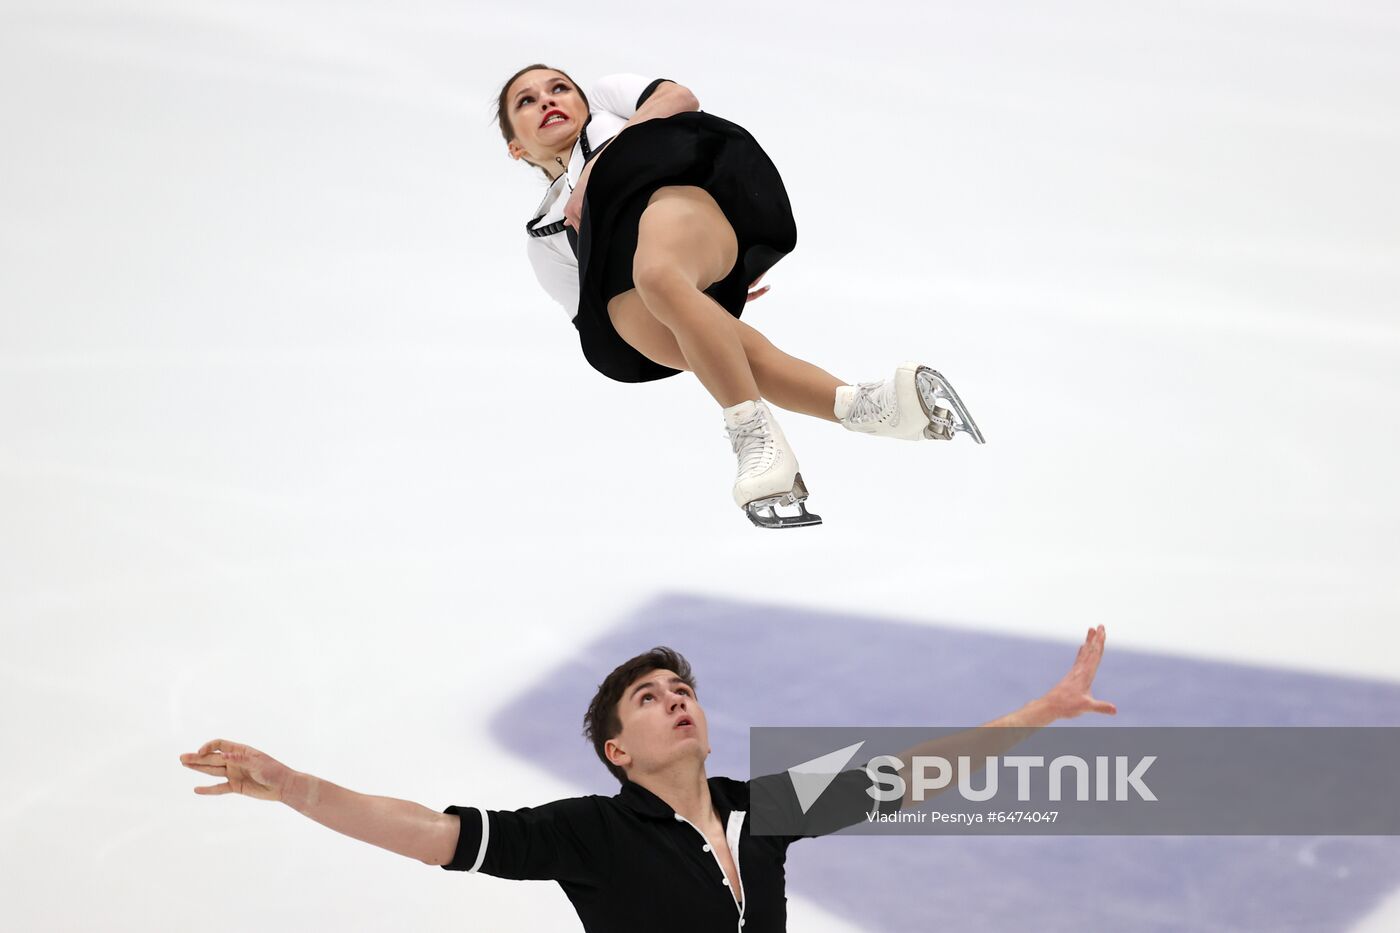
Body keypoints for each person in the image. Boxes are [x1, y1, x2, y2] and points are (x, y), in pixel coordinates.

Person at [179, 626, 1115, 932]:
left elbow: (908, 777)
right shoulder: (589, 831)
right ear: (616, 749)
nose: (676, 701)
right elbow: (432, 831)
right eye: (648, 697)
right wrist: (296, 784)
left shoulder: (765, 810)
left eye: (684, 690)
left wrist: (1041, 711)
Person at [496, 65, 986, 528]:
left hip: (681, 205)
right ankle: (869, 409)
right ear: (516, 148)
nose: (547, 101)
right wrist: (698, 305)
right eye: (527, 101)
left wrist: (598, 168)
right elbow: (593, 316)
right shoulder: (543, 239)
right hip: (653, 284)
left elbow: (678, 98)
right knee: (661, 321)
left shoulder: (607, 105)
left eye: (558, 89)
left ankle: (753, 439)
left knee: (658, 274)